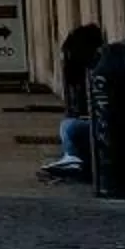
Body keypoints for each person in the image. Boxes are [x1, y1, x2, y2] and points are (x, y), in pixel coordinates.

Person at [45, 22, 106, 178]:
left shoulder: (94, 72)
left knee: (68, 126)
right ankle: (72, 157)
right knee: (68, 125)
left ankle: (72, 157)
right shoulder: (92, 69)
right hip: (99, 126)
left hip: (101, 127)